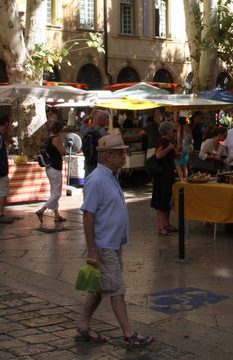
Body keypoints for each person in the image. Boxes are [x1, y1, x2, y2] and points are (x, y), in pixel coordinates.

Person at [77, 134, 154, 349]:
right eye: (120, 154)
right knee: (116, 289)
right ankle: (129, 334)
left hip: (112, 242)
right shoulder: (97, 180)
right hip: (104, 246)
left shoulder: (110, 176)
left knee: (101, 288)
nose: (124, 157)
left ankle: (83, 326)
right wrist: (92, 250)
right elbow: (88, 216)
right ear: (108, 156)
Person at [36, 121, 67, 222]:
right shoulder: (56, 140)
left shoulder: (49, 139)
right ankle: (42, 210)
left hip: (49, 168)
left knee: (53, 192)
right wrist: (62, 142)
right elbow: (63, 152)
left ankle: (56, 214)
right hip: (55, 168)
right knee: (57, 194)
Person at [151, 121, 178, 236]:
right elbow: (158, 155)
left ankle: (167, 224)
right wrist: (169, 148)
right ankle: (161, 227)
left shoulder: (168, 142)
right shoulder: (162, 141)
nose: (174, 133)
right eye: (173, 130)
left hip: (168, 175)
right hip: (162, 177)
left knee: (167, 201)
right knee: (161, 202)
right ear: (167, 131)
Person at [175, 117, 191, 182]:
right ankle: (187, 179)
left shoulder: (176, 127)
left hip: (179, 149)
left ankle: (181, 179)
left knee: (178, 166)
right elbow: (191, 140)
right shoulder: (189, 129)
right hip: (187, 148)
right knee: (185, 166)